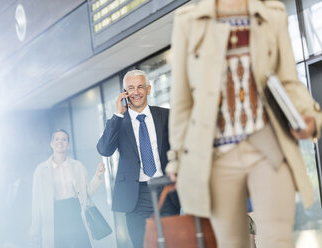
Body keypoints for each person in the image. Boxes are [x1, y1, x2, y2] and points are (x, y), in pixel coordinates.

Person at [166, 0, 322, 248]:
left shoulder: (272, 13)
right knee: (232, 243)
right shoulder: (188, 21)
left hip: (269, 148)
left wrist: (308, 116)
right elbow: (182, 101)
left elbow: (288, 81)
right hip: (217, 157)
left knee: (277, 241)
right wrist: (176, 156)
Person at [97, 70, 170, 248]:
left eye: (140, 87)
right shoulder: (118, 121)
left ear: (149, 89)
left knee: (173, 242)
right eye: (131, 88)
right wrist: (117, 114)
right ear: (124, 92)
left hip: (166, 190)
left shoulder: (166, 115)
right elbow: (104, 150)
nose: (136, 92)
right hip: (136, 196)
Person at [30, 129, 105, 248]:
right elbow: (36, 204)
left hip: (75, 214)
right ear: (51, 143)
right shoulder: (41, 170)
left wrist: (97, 176)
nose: (60, 142)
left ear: (68, 144)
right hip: (55, 216)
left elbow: (86, 194)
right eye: (57, 139)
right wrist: (34, 233)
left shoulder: (78, 166)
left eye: (64, 139)